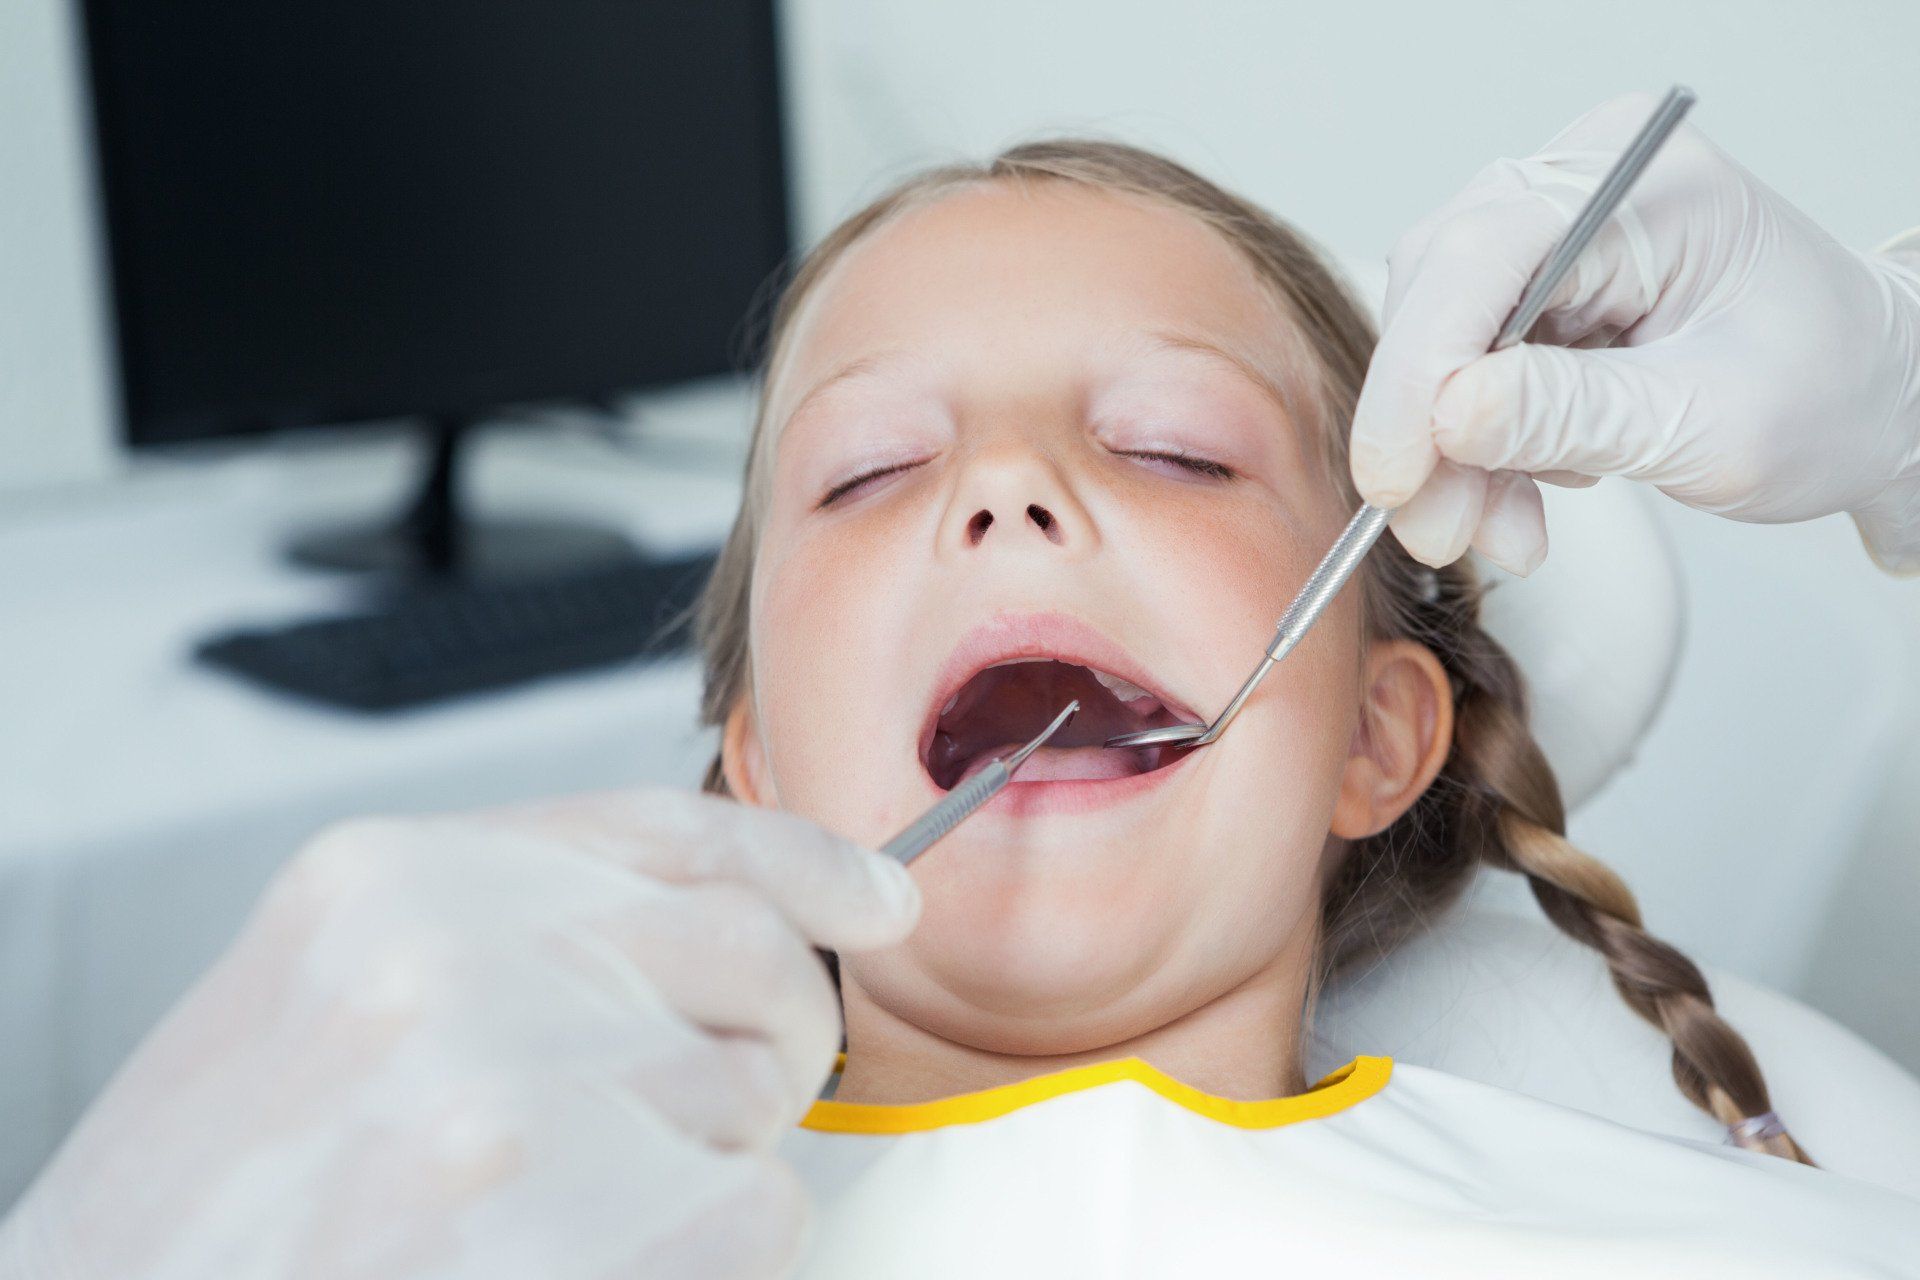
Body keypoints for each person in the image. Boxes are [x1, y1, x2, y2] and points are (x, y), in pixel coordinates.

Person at [4, 95, 1919, 1278]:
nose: (1006, 487)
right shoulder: (471, 1218)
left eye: (1174, 447)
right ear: (753, 767)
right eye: (863, 473)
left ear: (1371, 734)